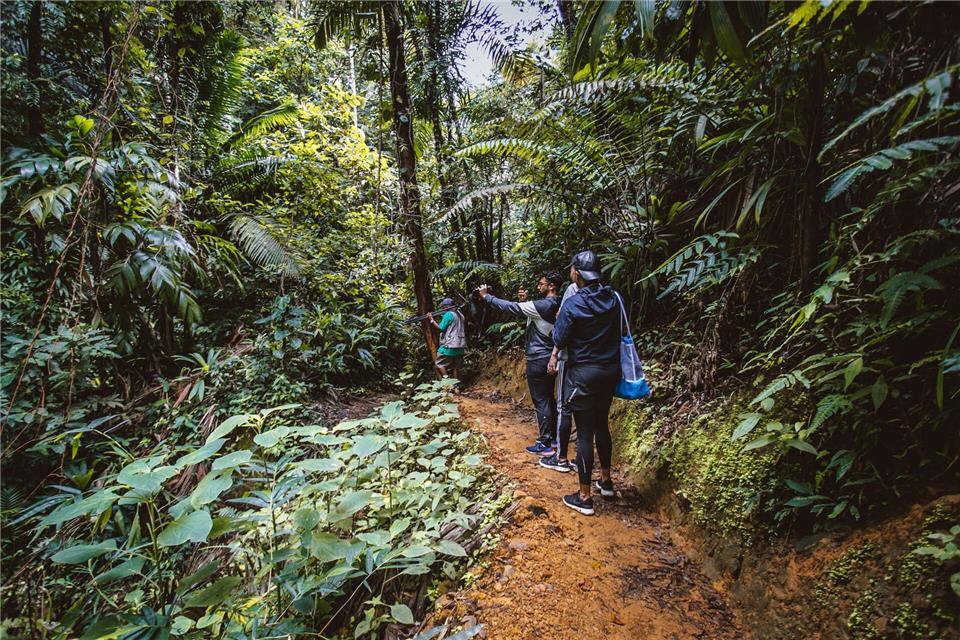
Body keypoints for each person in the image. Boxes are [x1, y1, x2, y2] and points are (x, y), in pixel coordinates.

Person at [548, 250, 621, 516]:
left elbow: (560, 336)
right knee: (603, 424)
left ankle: (584, 496)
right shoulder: (614, 299)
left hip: (583, 374)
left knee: (586, 432)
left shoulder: (574, 304)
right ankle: (606, 481)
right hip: (610, 371)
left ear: (576, 273)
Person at [479, 272, 562, 455]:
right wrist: (525, 301)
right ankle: (554, 440)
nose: (538, 286)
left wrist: (487, 297)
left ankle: (546, 443)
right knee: (548, 398)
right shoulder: (556, 303)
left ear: (552, 286)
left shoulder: (544, 305)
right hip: (548, 356)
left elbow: (511, 307)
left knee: (541, 401)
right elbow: (536, 317)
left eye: (542, 284)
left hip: (538, 357)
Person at [539, 276, 579, 474]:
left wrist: (554, 354)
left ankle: (561, 458)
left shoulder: (573, 289)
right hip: (597, 360)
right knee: (589, 413)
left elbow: (562, 324)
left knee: (564, 406)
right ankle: (583, 461)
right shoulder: (609, 296)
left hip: (571, 357)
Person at [429, 297, 466, 381]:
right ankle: (455, 385)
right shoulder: (460, 314)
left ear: (446, 307)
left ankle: (448, 383)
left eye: (443, 307)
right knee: (455, 367)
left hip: (450, 345)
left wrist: (431, 320)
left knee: (439, 364)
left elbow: (440, 328)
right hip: (460, 345)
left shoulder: (448, 314)